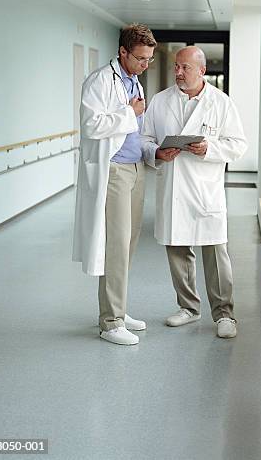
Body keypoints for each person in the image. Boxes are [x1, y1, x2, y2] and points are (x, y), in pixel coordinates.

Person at [141, 46, 247, 338]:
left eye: (184, 67)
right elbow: (145, 139)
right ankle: (188, 308)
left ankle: (225, 314)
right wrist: (158, 153)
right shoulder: (161, 101)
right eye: (176, 66)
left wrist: (209, 148)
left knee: (215, 253)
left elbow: (238, 145)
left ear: (201, 70)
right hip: (173, 186)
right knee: (178, 250)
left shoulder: (221, 103)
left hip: (205, 190)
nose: (178, 72)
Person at [72, 24, 157, 345]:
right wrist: (129, 111)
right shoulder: (99, 81)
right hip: (114, 171)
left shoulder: (132, 79)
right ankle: (110, 321)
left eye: (149, 60)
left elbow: (136, 128)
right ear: (122, 51)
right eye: (140, 59)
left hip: (136, 168)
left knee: (129, 243)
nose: (144, 65)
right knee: (116, 245)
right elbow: (92, 125)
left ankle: (119, 308)